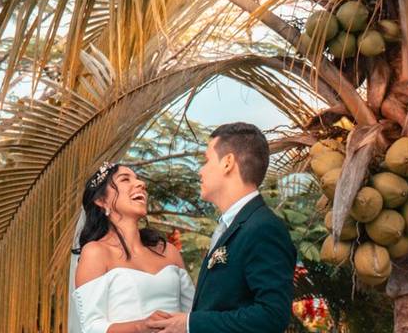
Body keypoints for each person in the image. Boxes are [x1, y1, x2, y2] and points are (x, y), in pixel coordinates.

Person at [149, 122, 296, 333]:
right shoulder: (235, 224)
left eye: (206, 161)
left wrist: (190, 324)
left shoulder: (263, 228)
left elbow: (272, 316)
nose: (200, 171)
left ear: (227, 163)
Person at [70, 162, 195, 333]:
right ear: (101, 200)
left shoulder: (168, 251)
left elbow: (193, 313)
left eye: (138, 179)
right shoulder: (96, 252)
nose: (141, 184)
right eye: (125, 179)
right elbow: (92, 327)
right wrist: (141, 326)